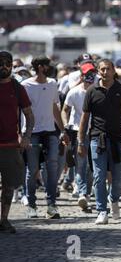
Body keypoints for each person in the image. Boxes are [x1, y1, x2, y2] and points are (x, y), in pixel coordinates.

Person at [78, 59, 121, 224]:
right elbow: (85, 118)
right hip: (97, 139)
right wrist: (80, 141)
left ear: (114, 70)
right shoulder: (92, 91)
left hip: (119, 140)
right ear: (98, 72)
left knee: (119, 177)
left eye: (108, 69)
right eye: (102, 69)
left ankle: (113, 199)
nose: (105, 72)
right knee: (99, 176)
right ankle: (101, 210)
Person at [22, 56, 69, 219]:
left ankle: (51, 206)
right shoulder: (26, 85)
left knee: (52, 169)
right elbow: (21, 111)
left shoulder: (52, 84)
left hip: (50, 132)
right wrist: (22, 133)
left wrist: (62, 130)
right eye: (48, 66)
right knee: (33, 170)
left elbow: (55, 107)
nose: (51, 68)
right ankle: (32, 205)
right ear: (41, 67)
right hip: (32, 132)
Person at [0, 51, 34, 232]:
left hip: (10, 145)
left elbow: (29, 115)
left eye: (7, 63)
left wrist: (27, 136)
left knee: (8, 185)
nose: (3, 66)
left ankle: (4, 219)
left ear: (12, 65)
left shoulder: (16, 88)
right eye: (0, 63)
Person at [62, 61, 97, 212]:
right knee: (81, 164)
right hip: (78, 132)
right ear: (82, 76)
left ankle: (87, 193)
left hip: (95, 132)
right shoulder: (74, 92)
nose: (91, 77)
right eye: (87, 74)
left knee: (91, 166)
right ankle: (82, 192)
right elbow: (65, 110)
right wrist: (65, 127)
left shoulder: (98, 91)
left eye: (92, 74)